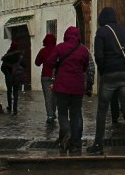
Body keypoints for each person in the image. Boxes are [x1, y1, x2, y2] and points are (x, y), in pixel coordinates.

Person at [87, 7, 125, 156]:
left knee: (102, 109)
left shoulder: (101, 32)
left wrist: (104, 71)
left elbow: (99, 56)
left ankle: (98, 143)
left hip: (110, 75)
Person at [51, 26, 91, 154]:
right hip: (78, 86)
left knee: (62, 113)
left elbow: (50, 61)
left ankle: (67, 132)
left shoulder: (60, 47)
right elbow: (85, 66)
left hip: (62, 85)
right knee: (75, 114)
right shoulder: (84, 50)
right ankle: (75, 141)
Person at [34, 32, 58, 124]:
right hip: (56, 76)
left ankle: (50, 115)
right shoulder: (57, 50)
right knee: (55, 96)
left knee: (48, 97)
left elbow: (37, 63)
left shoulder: (43, 51)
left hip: (45, 76)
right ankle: (53, 111)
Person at [0, 41, 25, 115]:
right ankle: (15, 108)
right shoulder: (19, 56)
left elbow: (2, 67)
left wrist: (7, 73)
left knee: (9, 91)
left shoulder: (7, 56)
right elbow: (24, 65)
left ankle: (9, 106)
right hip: (16, 76)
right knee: (15, 92)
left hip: (8, 76)